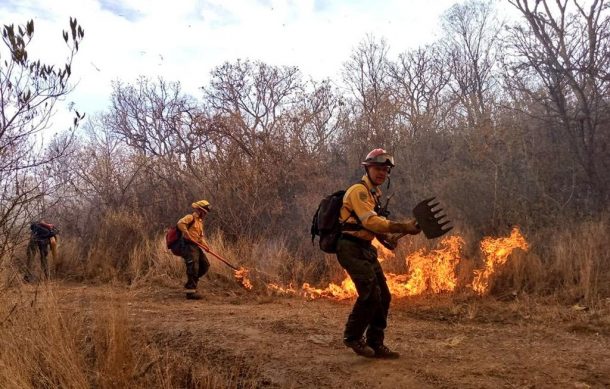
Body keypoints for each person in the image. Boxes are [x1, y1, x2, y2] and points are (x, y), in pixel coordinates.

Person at [337, 148, 421, 359]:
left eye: (385, 170)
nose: (382, 173)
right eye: (378, 168)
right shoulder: (359, 191)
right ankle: (353, 337)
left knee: (384, 296)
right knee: (370, 295)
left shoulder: (374, 194)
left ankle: (375, 342)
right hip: (349, 247)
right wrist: (403, 226)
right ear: (367, 168)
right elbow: (370, 221)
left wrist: (388, 240)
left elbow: (372, 227)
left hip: (364, 248)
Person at [177, 200, 212, 300]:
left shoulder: (200, 222)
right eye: (204, 212)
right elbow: (180, 223)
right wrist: (186, 233)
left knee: (205, 265)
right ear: (199, 210)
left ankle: (190, 283)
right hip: (188, 246)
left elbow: (200, 237)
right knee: (193, 267)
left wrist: (206, 246)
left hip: (196, 246)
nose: (205, 214)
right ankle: (190, 292)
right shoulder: (190, 217)